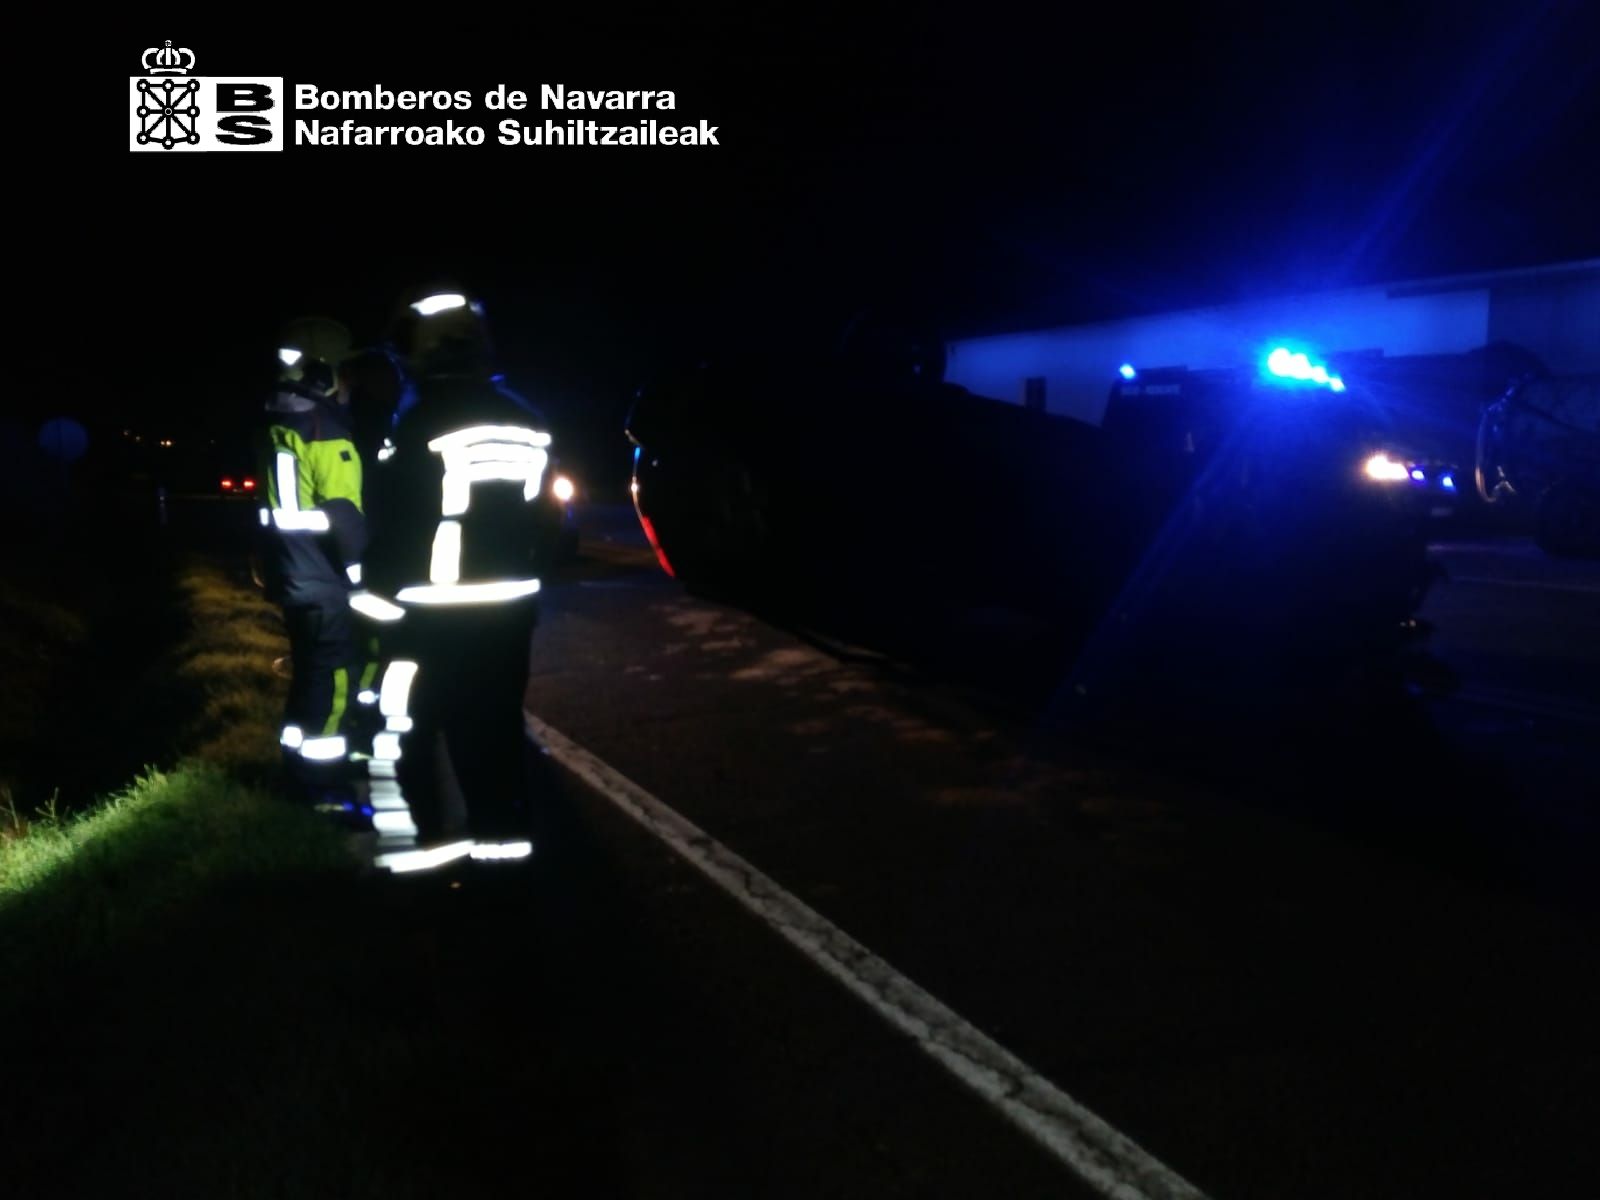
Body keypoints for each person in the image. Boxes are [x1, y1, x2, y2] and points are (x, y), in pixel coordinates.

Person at [350, 286, 564, 873]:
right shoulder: (527, 419)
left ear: (422, 350)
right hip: (509, 611)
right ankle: (504, 855)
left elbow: (399, 522)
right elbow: (550, 519)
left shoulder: (419, 422)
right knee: (494, 732)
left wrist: (372, 603)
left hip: (429, 613)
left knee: (406, 729)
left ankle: (427, 850)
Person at [255, 317, 373, 813]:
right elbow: (345, 518)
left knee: (309, 677)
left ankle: (296, 768)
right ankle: (323, 789)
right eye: (344, 372)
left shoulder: (278, 421)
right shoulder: (324, 428)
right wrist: (363, 580)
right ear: (322, 372)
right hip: (324, 582)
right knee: (335, 681)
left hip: (293, 574)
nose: (349, 383)